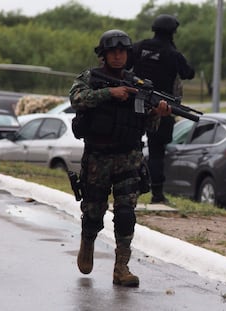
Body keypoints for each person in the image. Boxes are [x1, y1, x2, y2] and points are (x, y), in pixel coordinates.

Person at [69, 29, 171, 287]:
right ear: (104, 55)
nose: (118, 56)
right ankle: (88, 240)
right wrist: (109, 93)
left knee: (126, 213)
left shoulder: (137, 84)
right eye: (113, 52)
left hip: (129, 157)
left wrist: (158, 112)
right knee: (94, 212)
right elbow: (76, 99)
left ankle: (121, 267)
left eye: (122, 52)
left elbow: (149, 126)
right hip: (98, 157)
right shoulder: (91, 78)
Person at [130, 14, 195, 204]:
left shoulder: (139, 47)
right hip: (161, 107)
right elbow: (188, 73)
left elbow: (125, 65)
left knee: (130, 145)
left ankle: (132, 186)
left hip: (134, 104)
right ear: (173, 32)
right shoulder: (172, 54)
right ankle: (157, 194)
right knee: (157, 151)